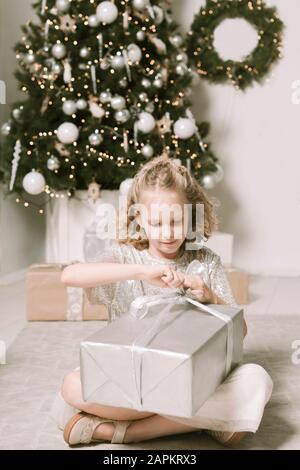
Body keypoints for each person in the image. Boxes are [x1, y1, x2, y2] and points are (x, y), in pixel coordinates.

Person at [51, 156, 273, 447]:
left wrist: (211, 297)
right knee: (71, 389)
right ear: (138, 218)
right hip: (133, 375)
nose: (167, 233)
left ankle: (123, 431)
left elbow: (240, 332)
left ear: (191, 214)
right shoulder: (125, 257)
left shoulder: (206, 261)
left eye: (176, 221)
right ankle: (204, 419)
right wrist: (143, 271)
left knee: (257, 380)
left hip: (194, 376)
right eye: (156, 222)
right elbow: (70, 275)